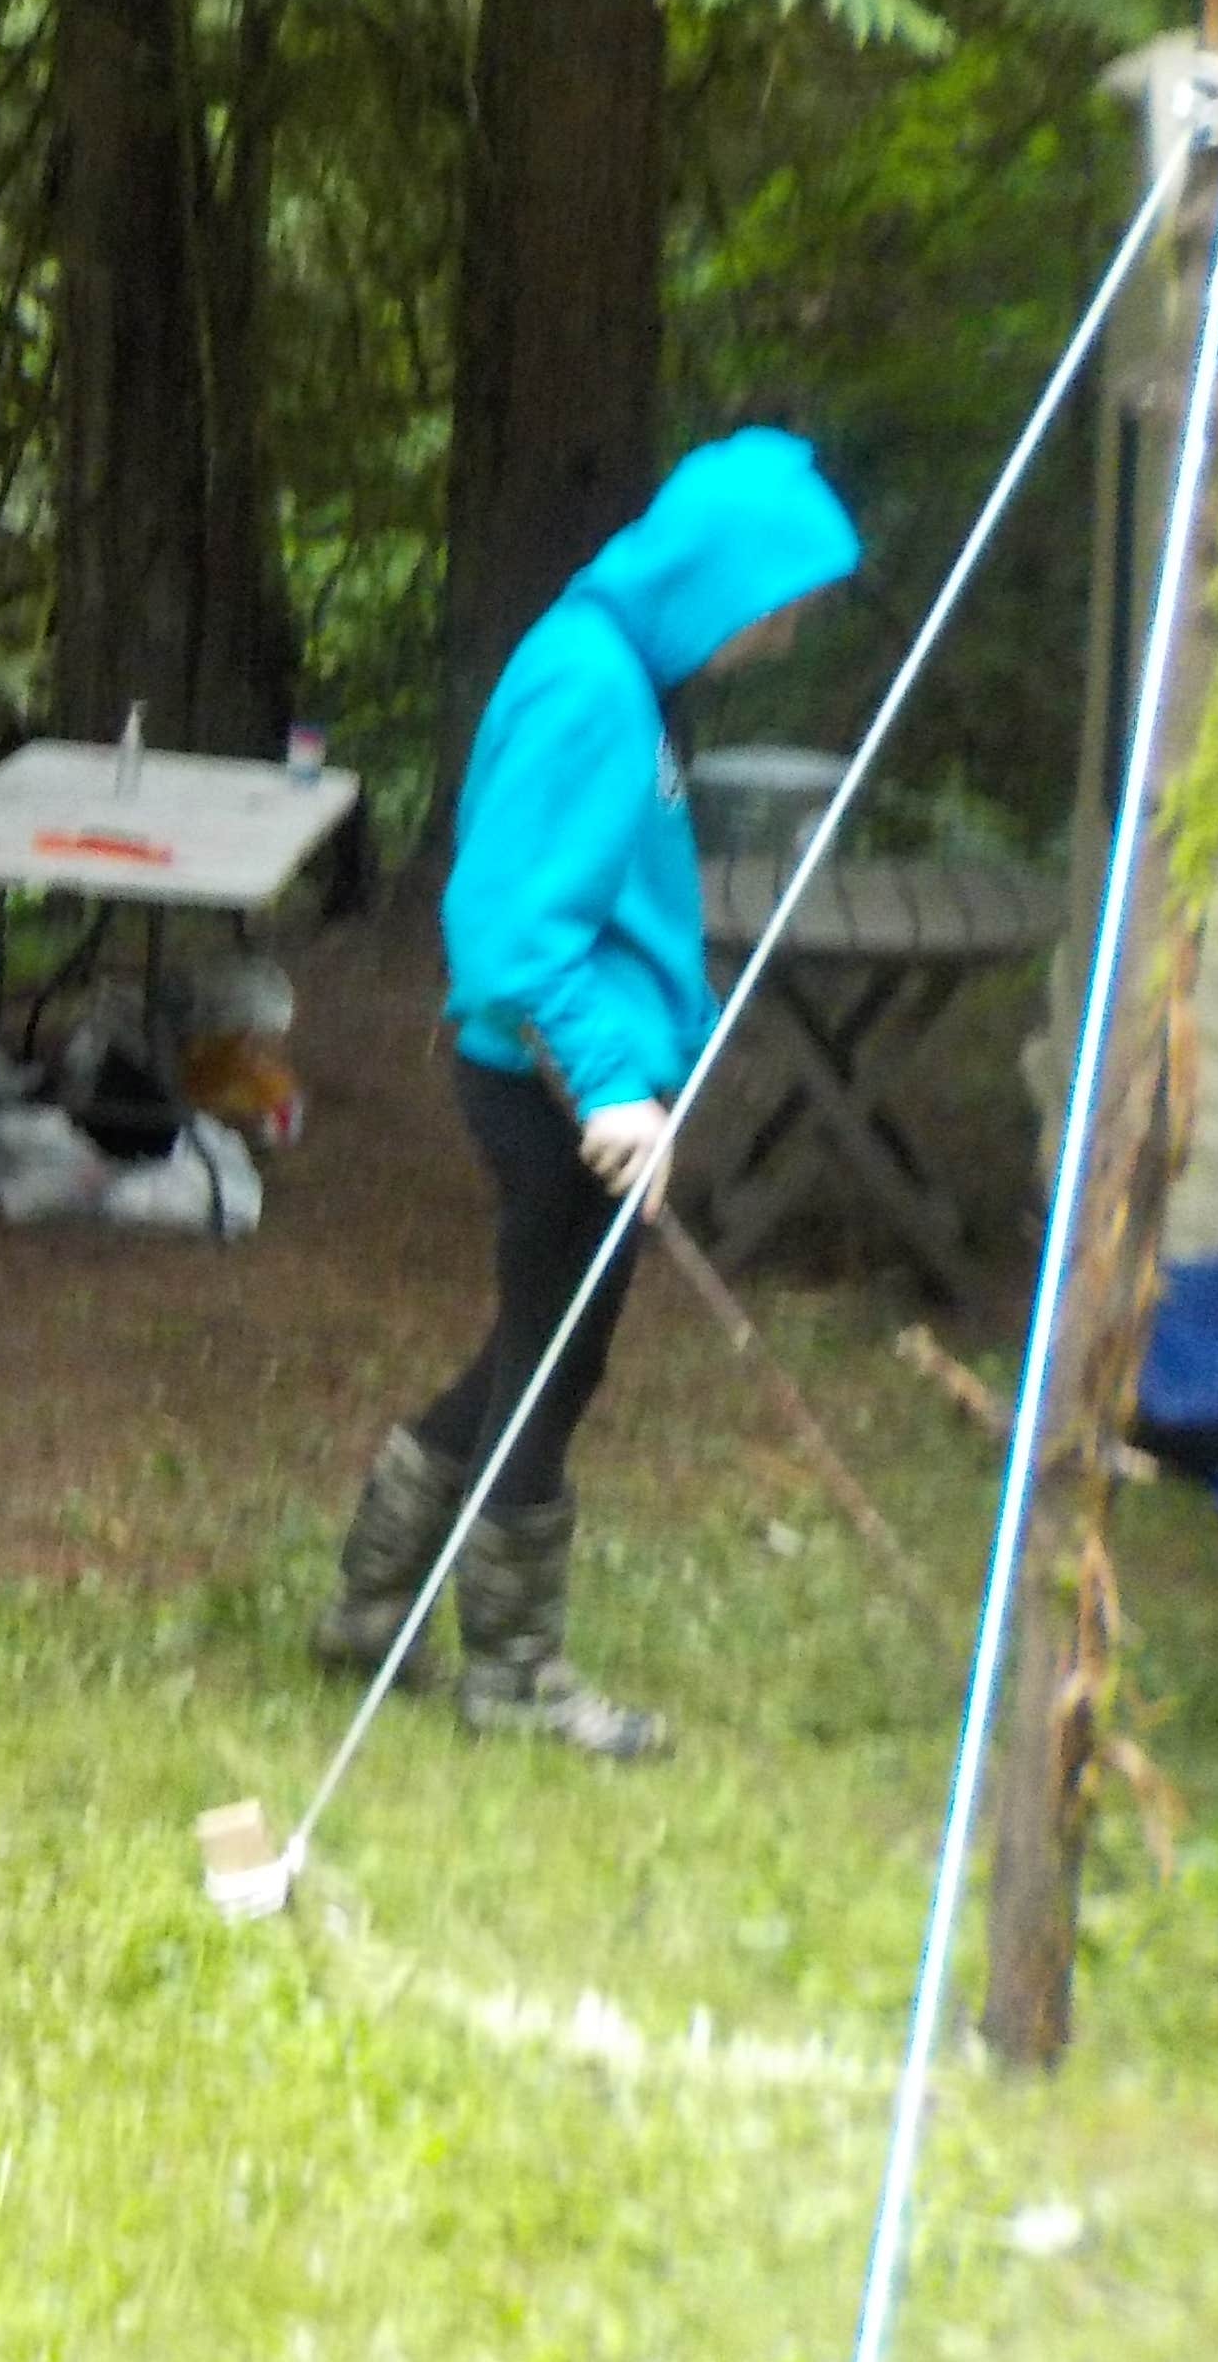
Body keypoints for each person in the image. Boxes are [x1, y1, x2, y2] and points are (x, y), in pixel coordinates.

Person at [312, 428, 862, 1759]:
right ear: (720, 581)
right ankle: (513, 1672)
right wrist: (614, 1090)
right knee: (553, 1369)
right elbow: (510, 929)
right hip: (556, 1088)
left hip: (586, 1076)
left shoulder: (626, 674)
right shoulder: (591, 687)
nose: (784, 638)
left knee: (534, 1348)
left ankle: (371, 1603)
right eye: (779, 609)